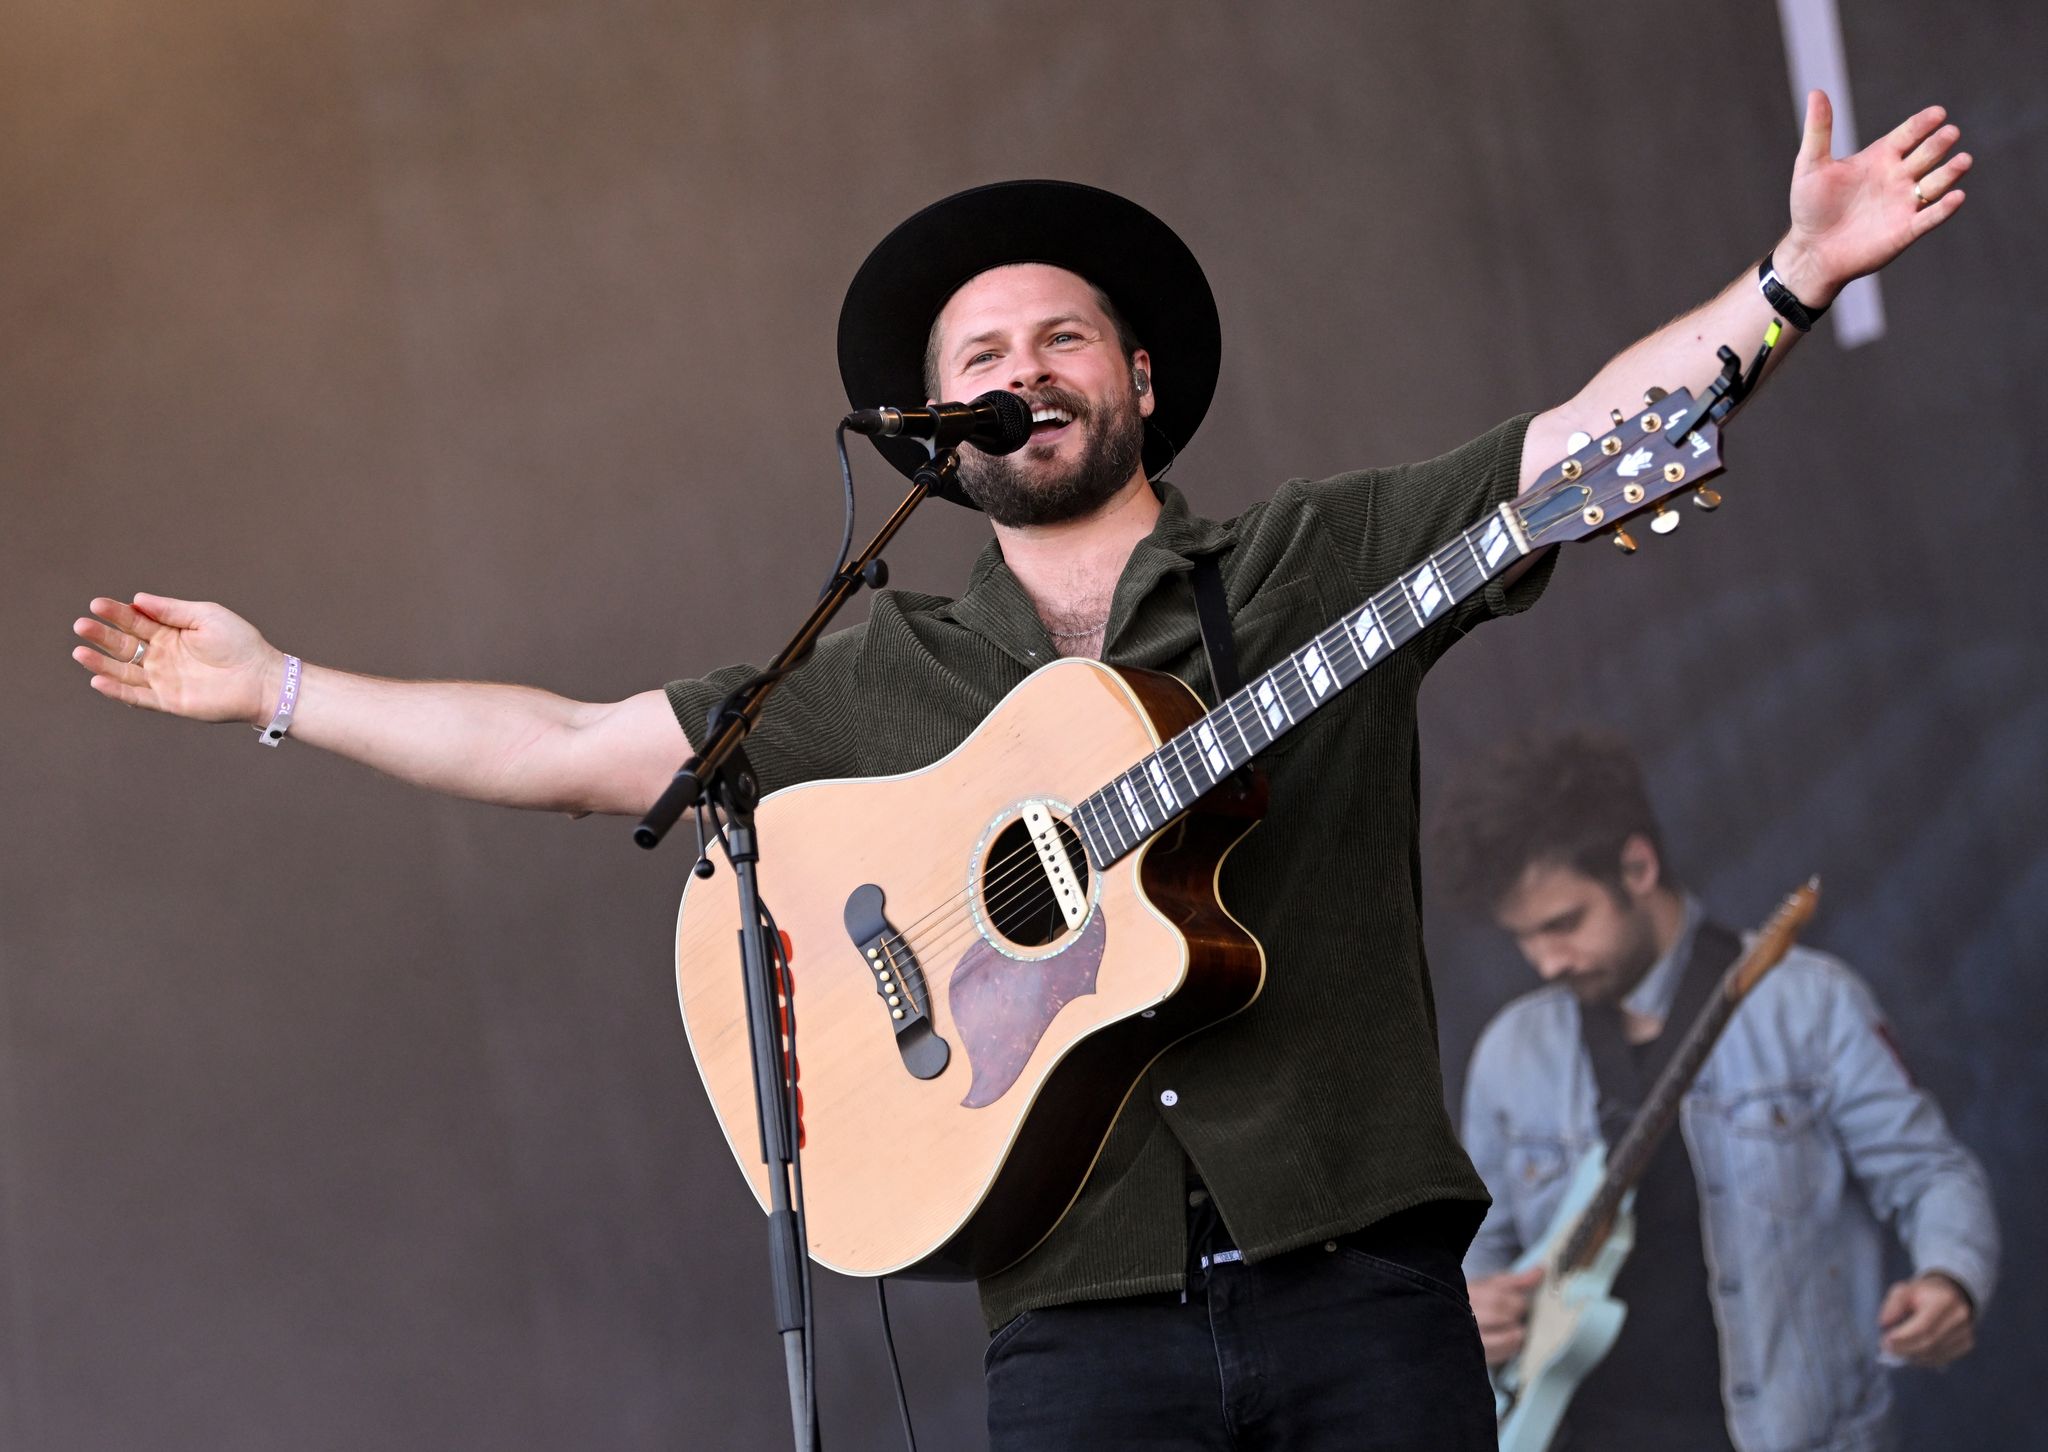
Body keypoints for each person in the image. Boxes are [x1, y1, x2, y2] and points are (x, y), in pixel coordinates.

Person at [71, 95, 1969, 1450]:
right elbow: (570, 746)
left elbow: (1571, 445)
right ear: (936, 428)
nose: (1022, 363)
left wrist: (1781, 286)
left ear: (1138, 379)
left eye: (1061, 333)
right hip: (1069, 1324)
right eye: (977, 352)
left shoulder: (1306, 563)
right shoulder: (877, 666)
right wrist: (280, 682)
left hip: (1360, 1295)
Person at [1434, 730, 1998, 1452]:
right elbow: (1479, 1247)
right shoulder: (1511, 1053)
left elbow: (1931, 1174)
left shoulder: (1810, 1004)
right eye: (1524, 938)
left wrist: (1950, 1279)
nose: (1546, 962)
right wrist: (1467, 1308)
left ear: (1637, 866)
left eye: (1564, 924)